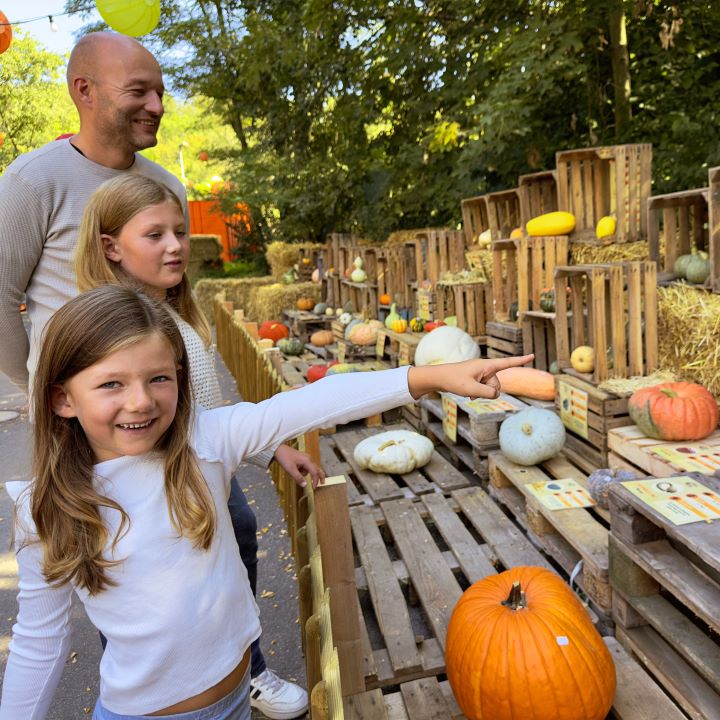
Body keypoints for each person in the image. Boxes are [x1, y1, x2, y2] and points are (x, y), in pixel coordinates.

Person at [0, 285, 533, 719]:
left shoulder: (203, 440)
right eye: (111, 383)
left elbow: (310, 402)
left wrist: (429, 377)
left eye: (158, 378)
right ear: (62, 398)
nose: (141, 400)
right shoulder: (43, 507)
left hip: (236, 701)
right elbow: (40, 642)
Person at [0, 31, 315, 716]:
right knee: (123, 573)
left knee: (225, 528)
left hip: (168, 417)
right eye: (138, 90)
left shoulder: (161, 186)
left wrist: (259, 442)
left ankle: (239, 668)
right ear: (84, 90)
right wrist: (38, 390)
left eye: (161, 91)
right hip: (89, 424)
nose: (157, 105)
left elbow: (189, 345)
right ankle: (151, 694)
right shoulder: (34, 182)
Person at [74, 172, 320, 716]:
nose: (176, 246)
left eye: (179, 233)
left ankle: (240, 666)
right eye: (155, 235)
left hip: (202, 468)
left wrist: (269, 447)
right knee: (148, 597)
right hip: (149, 487)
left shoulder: (179, 311)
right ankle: (155, 688)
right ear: (111, 247)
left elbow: (206, 409)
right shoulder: (109, 324)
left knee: (237, 541)